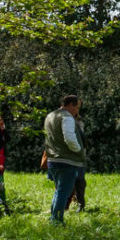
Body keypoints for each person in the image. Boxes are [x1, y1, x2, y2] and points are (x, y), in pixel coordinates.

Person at [43, 95, 87, 225]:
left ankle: (53, 216)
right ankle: (57, 220)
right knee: (64, 191)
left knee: (59, 190)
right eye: (77, 107)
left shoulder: (50, 116)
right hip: (66, 160)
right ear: (70, 105)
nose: (77, 111)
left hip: (52, 159)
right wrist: (78, 149)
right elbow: (69, 138)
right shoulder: (67, 117)